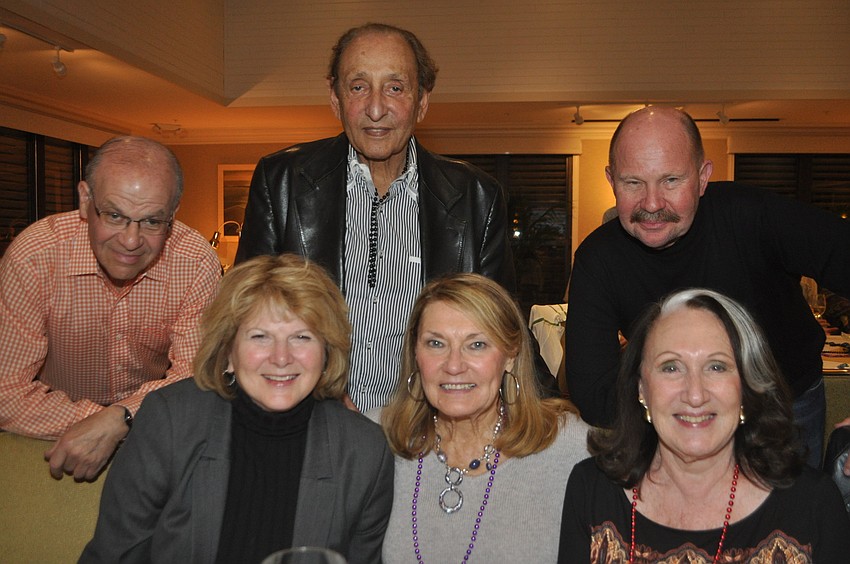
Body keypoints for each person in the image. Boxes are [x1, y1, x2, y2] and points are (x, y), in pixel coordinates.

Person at [235, 23, 516, 412]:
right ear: (335, 98)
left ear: (422, 102)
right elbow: (245, 316)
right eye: (358, 86)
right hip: (313, 423)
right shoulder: (281, 181)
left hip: (430, 428)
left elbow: (503, 327)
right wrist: (322, 400)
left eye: (396, 87)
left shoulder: (476, 196)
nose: (376, 108)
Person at [565, 106, 850, 467]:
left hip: (784, 408)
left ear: (702, 177)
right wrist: (679, 424)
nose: (652, 203)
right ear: (611, 180)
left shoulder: (754, 215)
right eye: (633, 182)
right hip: (673, 419)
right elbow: (594, 393)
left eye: (671, 181)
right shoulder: (597, 259)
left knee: (793, 522)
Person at [80, 254, 393, 563]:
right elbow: (113, 556)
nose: (281, 358)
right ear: (228, 351)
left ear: (326, 352)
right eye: (260, 337)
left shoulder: (364, 452)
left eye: (301, 337)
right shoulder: (171, 421)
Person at [558, 288, 850, 562]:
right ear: (641, 389)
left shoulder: (812, 505)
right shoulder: (592, 491)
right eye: (671, 367)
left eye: (716, 367)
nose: (695, 395)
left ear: (747, 386)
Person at [0, 136, 220, 480]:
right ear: (86, 200)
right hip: (46, 443)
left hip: (159, 444)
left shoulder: (195, 262)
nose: (131, 242)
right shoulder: (34, 257)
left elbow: (195, 378)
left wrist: (122, 418)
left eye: (152, 221)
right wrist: (102, 423)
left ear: (172, 215)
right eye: (115, 215)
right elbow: (5, 392)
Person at [378, 273, 590, 562]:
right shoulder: (376, 440)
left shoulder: (567, 447)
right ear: (416, 353)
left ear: (511, 355)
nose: (454, 365)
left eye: (476, 345)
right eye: (436, 344)